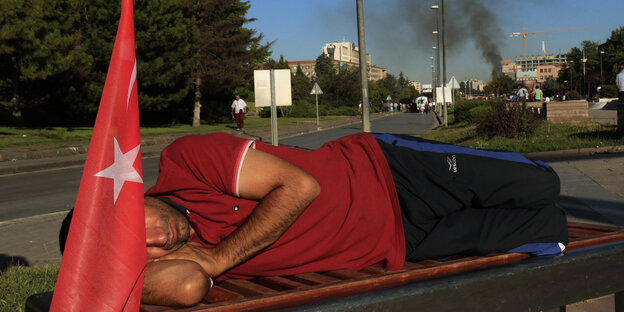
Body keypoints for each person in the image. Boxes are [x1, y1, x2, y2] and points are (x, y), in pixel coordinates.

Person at [60, 132, 568, 307]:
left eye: (135, 224)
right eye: (138, 252)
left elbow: (300, 186)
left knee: (543, 185)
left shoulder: (186, 162)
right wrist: (117, 275)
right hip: (401, 242)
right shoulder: (174, 261)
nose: (157, 239)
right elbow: (190, 288)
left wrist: (219, 257)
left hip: (390, 170)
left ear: (131, 196)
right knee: (550, 230)